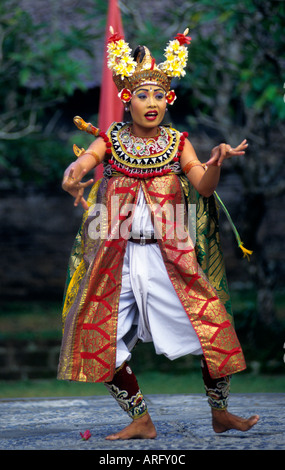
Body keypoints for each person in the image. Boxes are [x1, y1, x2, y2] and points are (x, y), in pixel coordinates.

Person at [57, 27, 259, 440]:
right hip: (119, 259)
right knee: (97, 336)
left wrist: (216, 161)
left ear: (168, 99)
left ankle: (220, 413)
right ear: (126, 99)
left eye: (158, 96)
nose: (151, 103)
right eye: (143, 95)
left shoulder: (176, 142)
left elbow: (203, 187)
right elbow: (86, 161)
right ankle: (141, 419)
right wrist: (73, 172)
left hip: (170, 258)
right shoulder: (111, 140)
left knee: (214, 327)